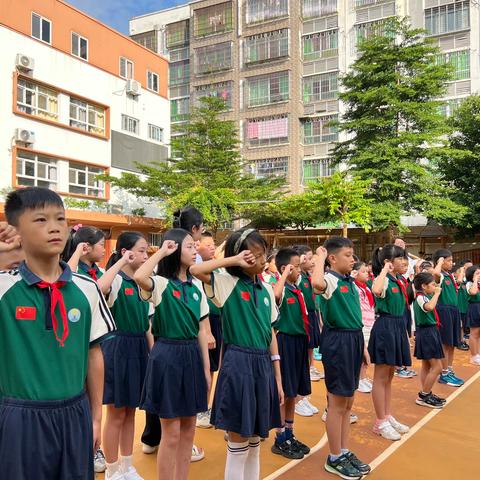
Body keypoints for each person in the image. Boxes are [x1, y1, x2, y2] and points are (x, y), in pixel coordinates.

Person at [0, 187, 115, 479]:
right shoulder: (4, 288)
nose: (54, 227)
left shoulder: (86, 288)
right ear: (16, 230)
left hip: (74, 413)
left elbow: (94, 355)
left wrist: (95, 417)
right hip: (19, 417)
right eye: (40, 220)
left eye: (60, 219)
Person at [190, 228, 283, 480]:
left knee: (255, 444)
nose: (262, 260)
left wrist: (277, 378)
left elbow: (271, 334)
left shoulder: (265, 291)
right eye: (254, 255)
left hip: (262, 365)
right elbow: (196, 270)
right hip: (238, 364)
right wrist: (233, 260)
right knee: (238, 445)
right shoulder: (226, 283)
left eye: (263, 254)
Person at [135, 229, 210, 480]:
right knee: (172, 432)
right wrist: (160, 253)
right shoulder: (161, 284)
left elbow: (201, 330)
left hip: (191, 356)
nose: (194, 250)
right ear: (175, 249)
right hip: (167, 355)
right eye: (189, 246)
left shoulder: (196, 287)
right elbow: (139, 275)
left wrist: (206, 370)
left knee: (189, 429)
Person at [311, 237, 370, 480]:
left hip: (354, 340)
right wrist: (319, 257)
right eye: (348, 254)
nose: (353, 259)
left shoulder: (350, 282)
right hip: (339, 342)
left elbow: (355, 315)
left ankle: (343, 451)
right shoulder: (331, 280)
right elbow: (316, 283)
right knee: (337, 404)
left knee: (348, 402)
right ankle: (334, 457)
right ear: (332, 258)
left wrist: (363, 346)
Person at [97, 232, 154, 480]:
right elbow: (101, 288)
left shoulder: (144, 284)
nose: (145, 255)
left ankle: (127, 466)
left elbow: (148, 325)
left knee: (131, 410)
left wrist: (152, 353)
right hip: (118, 347)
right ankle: (111, 470)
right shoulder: (117, 280)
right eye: (141, 251)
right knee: (117, 412)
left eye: (146, 251)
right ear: (125, 252)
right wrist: (121, 262)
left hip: (140, 347)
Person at [271, 248, 311, 460]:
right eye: (294, 267)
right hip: (285, 341)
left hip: (299, 343)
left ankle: (289, 431)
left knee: (293, 391)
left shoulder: (298, 290)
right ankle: (279, 437)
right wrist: (285, 274)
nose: (299, 271)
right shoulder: (281, 288)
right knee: (284, 391)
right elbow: (275, 296)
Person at [369, 244, 411, 441]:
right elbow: (375, 289)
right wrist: (384, 269)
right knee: (381, 376)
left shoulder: (398, 280)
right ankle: (380, 422)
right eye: (400, 258)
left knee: (389, 376)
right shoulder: (384, 280)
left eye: (404, 257)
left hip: (397, 327)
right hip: (385, 328)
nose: (404, 261)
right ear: (388, 262)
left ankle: (387, 415)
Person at [196, 231, 222, 429]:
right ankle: (201, 408)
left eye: (214, 244)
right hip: (206, 322)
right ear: (198, 246)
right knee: (207, 367)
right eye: (209, 244)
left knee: (214, 366)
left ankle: (206, 405)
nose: (213, 247)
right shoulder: (196, 269)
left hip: (218, 319)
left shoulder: (217, 270)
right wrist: (207, 331)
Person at [412, 272, 446, 408]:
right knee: (437, 367)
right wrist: (437, 293)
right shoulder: (420, 298)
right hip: (427, 333)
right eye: (432, 284)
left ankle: (426, 392)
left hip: (429, 331)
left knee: (427, 365)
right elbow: (429, 307)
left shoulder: (425, 296)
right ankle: (424, 395)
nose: (435, 286)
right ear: (424, 286)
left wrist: (434, 292)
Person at [432, 249, 464, 387]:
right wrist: (438, 262)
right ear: (441, 261)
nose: (452, 263)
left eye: (451, 260)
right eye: (449, 260)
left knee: (452, 343)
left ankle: (449, 370)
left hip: (453, 310)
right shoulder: (440, 276)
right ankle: (444, 374)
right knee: (445, 343)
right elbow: (435, 274)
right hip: (444, 310)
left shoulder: (449, 275)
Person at [294, 245, 323, 385]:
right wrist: (299, 261)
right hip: (302, 315)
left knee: (311, 343)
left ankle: (311, 366)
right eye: (309, 258)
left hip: (312, 313)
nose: (312, 261)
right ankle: (306, 367)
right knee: (306, 343)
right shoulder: (298, 277)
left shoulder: (307, 276)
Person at [352, 261, 375, 394]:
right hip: (362, 323)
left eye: (367, 271)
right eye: (364, 271)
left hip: (369, 321)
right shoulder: (355, 287)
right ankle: (359, 379)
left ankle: (363, 377)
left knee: (366, 353)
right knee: (361, 353)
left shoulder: (365, 287)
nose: (367, 273)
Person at [455, 260, 473, 351]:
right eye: (467, 267)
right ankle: (460, 341)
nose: (470, 269)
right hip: (460, 307)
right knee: (461, 325)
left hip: (469, 307)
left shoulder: (472, 280)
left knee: (470, 326)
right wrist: (462, 271)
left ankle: (466, 341)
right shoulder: (460, 280)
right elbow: (459, 281)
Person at [465, 265, 480, 365]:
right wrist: (475, 280)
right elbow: (473, 292)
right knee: (474, 333)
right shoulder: (469, 284)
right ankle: (474, 356)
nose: (479, 275)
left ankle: (478, 354)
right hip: (475, 308)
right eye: (477, 273)